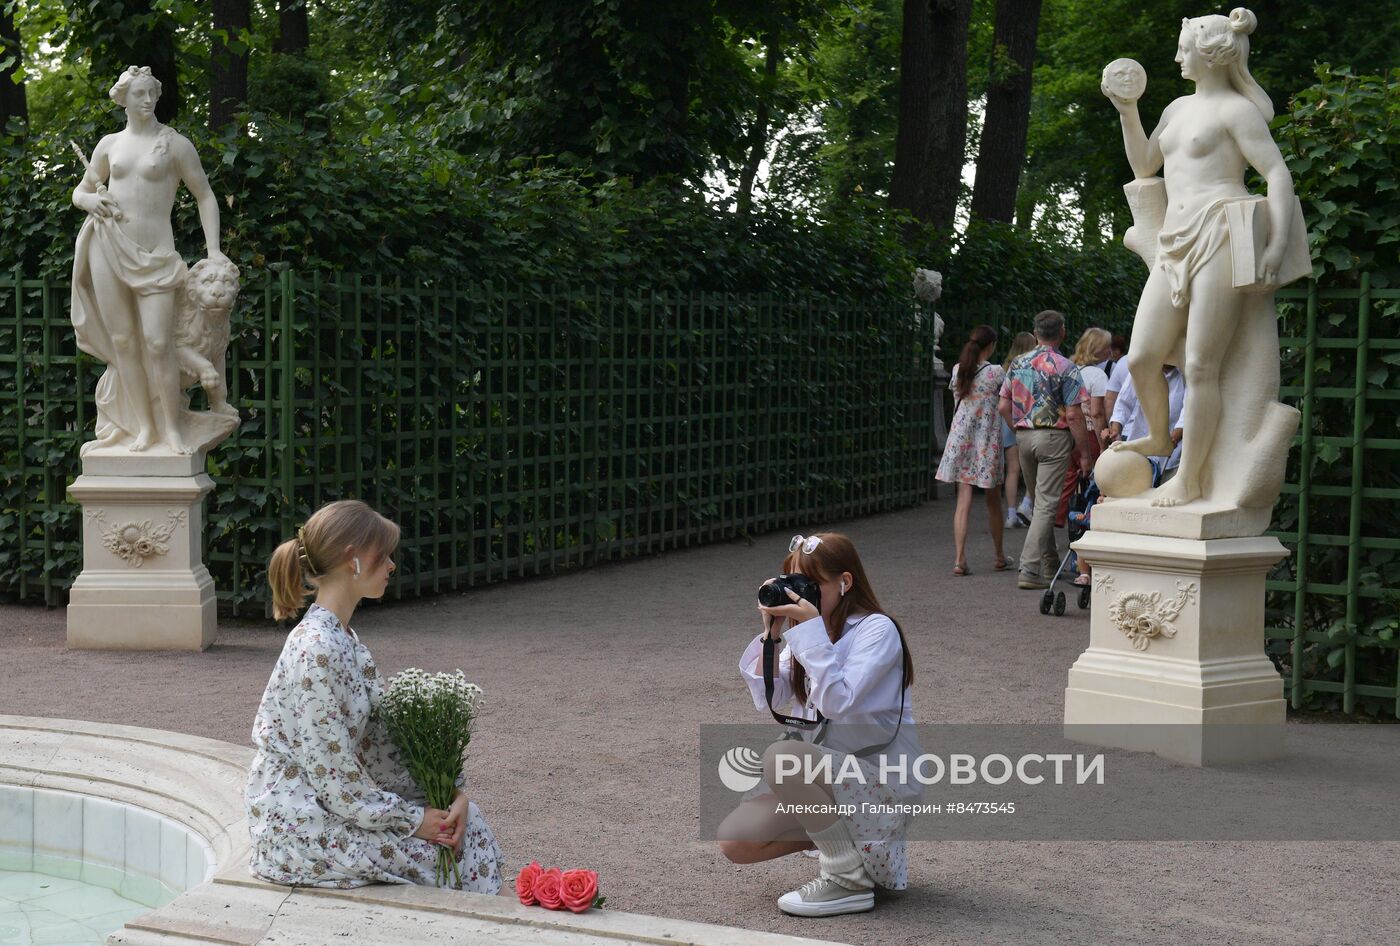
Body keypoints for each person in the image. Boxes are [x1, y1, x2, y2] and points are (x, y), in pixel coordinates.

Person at [246, 499, 505, 892]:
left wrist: (447, 793)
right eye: (383, 556)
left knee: (468, 826)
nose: (391, 565)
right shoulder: (316, 647)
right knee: (437, 852)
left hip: (323, 808)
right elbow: (332, 774)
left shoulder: (345, 640)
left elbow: (379, 746)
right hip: (295, 825)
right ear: (352, 560)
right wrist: (415, 820)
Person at [1105, 8, 1296, 507]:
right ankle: (1160, 437)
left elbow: (1275, 173)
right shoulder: (1174, 109)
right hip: (1174, 240)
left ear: (1210, 53)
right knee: (1142, 356)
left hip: (1222, 233)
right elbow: (1146, 164)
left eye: (1184, 47)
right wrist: (1128, 110)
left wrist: (1275, 246)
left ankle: (1188, 478)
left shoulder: (1237, 110)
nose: (1176, 56)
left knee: (1200, 365)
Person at [719, 533, 919, 917]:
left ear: (845, 582)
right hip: (832, 775)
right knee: (737, 841)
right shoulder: (808, 633)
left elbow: (836, 703)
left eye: (811, 585)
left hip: (882, 777)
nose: (801, 596)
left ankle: (848, 880)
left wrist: (808, 632)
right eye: (794, 584)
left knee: (782, 757)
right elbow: (771, 700)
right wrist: (773, 636)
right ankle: (855, 850)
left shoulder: (877, 630)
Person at [71, 66, 228, 455]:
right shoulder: (109, 145)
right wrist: (90, 199)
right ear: (123, 98)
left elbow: (205, 196)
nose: (147, 100)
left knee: (159, 342)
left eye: (151, 94)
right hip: (106, 246)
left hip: (156, 255)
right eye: (138, 94)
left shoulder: (174, 145)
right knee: (124, 341)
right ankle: (144, 428)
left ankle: (171, 428)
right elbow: (81, 192)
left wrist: (213, 250)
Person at [998, 310, 1093, 590]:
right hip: (1053, 437)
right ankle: (1029, 568)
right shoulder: (1067, 367)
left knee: (1041, 504)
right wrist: (1085, 454)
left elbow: (1003, 405)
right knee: (1047, 505)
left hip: (1024, 437)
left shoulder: (1017, 363)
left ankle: (1050, 564)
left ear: (1035, 331)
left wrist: (1018, 428)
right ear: (1062, 332)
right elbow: (1075, 415)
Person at [935, 325, 1008, 574]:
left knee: (962, 501)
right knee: (993, 501)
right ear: (991, 346)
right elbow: (1005, 402)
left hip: (960, 440)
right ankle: (999, 556)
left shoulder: (958, 369)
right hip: (986, 442)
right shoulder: (996, 372)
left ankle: (959, 559)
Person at [1056, 328, 1112, 528]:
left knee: (1069, 478)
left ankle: (1057, 518)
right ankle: (1091, 519)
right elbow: (1096, 412)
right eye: (1107, 348)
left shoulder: (1069, 369)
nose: (1110, 353)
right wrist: (1103, 441)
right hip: (1089, 432)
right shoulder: (1097, 375)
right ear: (1098, 350)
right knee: (1097, 478)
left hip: (1067, 430)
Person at [1107, 365, 1187, 479]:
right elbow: (1123, 403)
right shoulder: (1142, 367)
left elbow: (1188, 413)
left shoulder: (1186, 374)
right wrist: (1115, 429)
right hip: (1138, 451)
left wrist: (1171, 440)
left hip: (1172, 459)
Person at [1001, 332, 1038, 529]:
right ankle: (1027, 504)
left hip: (1008, 421)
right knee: (1035, 468)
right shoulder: (1033, 365)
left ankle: (1011, 514)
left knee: (1012, 470)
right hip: (1028, 420)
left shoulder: (1007, 367)